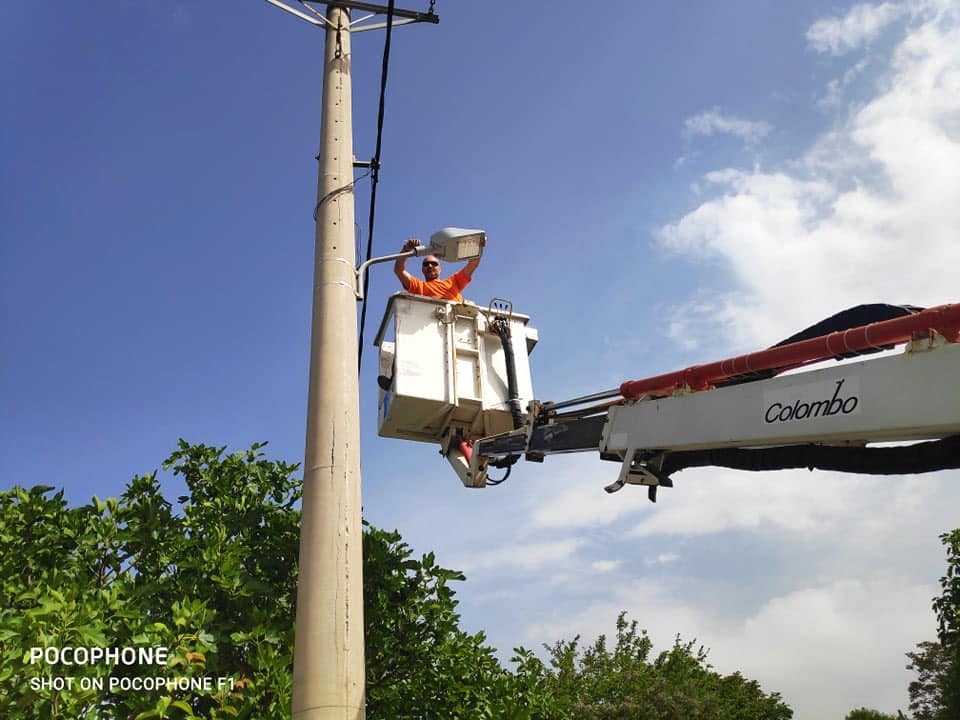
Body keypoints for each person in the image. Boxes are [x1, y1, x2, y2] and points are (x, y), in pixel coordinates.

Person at [393, 237, 483, 303]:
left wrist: (477, 246)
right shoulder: (419, 287)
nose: (430, 266)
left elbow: (473, 264)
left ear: (440, 269)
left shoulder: (454, 282)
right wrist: (406, 249)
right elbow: (399, 270)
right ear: (422, 270)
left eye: (434, 263)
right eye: (426, 264)